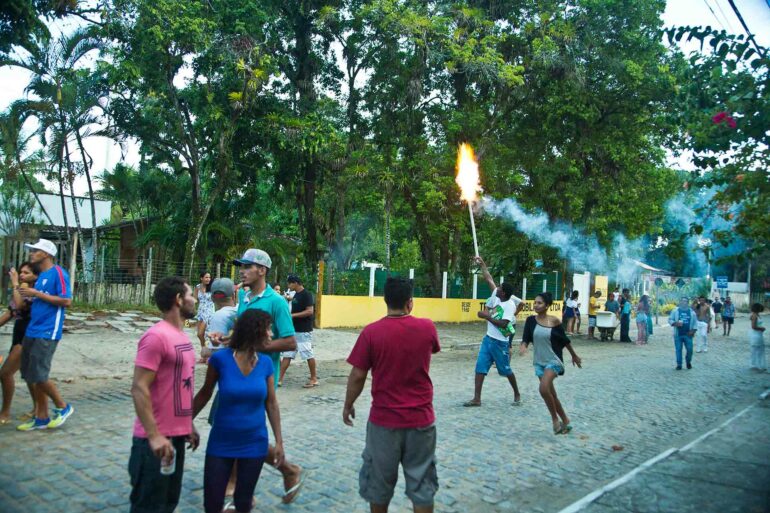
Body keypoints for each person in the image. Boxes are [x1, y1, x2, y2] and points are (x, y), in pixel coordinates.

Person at [343, 277, 440, 513]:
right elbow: (433, 349)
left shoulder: (371, 333)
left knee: (378, 486)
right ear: (410, 302)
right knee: (422, 487)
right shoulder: (427, 328)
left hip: (384, 422)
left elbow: (358, 375)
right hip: (421, 420)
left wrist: (348, 404)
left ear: (385, 300)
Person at [193, 309, 284, 513]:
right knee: (212, 504)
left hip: (254, 443)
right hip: (221, 442)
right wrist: (184, 422)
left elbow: (271, 403)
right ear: (255, 331)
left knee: (243, 502)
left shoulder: (266, 363)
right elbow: (205, 394)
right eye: (268, 329)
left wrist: (279, 441)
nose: (271, 334)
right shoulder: (220, 360)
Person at [233, 248, 304, 503]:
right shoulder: (243, 297)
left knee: (243, 431)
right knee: (238, 429)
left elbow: (290, 342)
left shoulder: (276, 302)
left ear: (262, 270)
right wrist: (228, 340)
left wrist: (258, 346)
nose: (242, 271)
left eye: (247, 266)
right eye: (241, 266)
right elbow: (243, 334)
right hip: (238, 373)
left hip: (261, 378)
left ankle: (239, 487)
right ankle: (283, 471)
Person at [129, 276, 200, 513]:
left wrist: (187, 424)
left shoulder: (182, 336)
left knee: (168, 503)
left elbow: (180, 385)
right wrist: (154, 435)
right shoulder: (156, 337)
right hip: (154, 442)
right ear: (178, 299)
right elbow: (139, 387)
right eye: (190, 295)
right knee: (149, 507)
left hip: (176, 438)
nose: (195, 299)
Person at [16, 239, 74, 431]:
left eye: (35, 250)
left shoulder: (58, 273)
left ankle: (63, 407)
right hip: (32, 329)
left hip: (48, 330)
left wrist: (36, 294)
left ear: (47, 254)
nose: (31, 253)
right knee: (29, 374)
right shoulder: (41, 276)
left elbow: (66, 301)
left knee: (40, 375)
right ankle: (41, 416)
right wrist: (29, 294)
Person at [520, 292, 582, 435]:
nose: (536, 305)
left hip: (554, 360)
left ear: (547, 305)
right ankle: (565, 420)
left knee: (543, 389)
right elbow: (526, 338)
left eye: (539, 303)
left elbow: (564, 340)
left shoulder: (555, 321)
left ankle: (555, 421)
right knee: (551, 394)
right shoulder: (530, 321)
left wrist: (574, 355)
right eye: (535, 302)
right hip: (539, 362)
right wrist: (523, 346)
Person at [464, 256, 522, 407]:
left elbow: (504, 324)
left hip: (500, 343)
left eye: (500, 288)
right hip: (488, 339)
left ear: (504, 293)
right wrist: (482, 264)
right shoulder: (497, 296)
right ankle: (477, 399)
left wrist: (486, 316)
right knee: (480, 367)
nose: (497, 288)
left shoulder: (509, 305)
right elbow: (489, 279)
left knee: (505, 370)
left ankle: (517, 393)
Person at [0, 263, 38, 424]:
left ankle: (5, 413)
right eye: (20, 272)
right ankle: (38, 409)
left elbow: (21, 305)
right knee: (29, 375)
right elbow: (11, 312)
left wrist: (15, 283)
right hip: (18, 333)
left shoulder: (36, 292)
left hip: (28, 335)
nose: (22, 275)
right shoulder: (21, 290)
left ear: (35, 276)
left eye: (26, 273)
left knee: (5, 373)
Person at [278, 274, 318, 388]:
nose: (288, 286)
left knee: (307, 354)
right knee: (288, 354)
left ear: (295, 283)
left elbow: (309, 311)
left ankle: (314, 378)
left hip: (304, 330)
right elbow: (297, 302)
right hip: (294, 329)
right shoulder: (296, 294)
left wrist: (292, 315)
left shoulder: (307, 294)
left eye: (289, 283)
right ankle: (279, 379)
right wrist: (289, 299)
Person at [204, 278, 238, 358]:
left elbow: (218, 352)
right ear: (233, 296)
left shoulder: (219, 316)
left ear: (212, 298)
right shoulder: (241, 309)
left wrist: (206, 352)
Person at [668, 297, 697, 370]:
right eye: (682, 301)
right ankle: (679, 364)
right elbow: (670, 319)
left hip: (688, 334)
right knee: (678, 350)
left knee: (690, 350)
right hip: (678, 334)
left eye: (685, 301)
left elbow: (695, 324)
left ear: (688, 303)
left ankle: (688, 362)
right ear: (680, 302)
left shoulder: (692, 312)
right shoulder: (675, 311)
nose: (684, 302)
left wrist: (693, 331)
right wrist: (675, 323)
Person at [195, 271, 215, 363]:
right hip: (200, 312)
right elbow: (195, 299)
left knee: (204, 334)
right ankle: (204, 354)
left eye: (209, 277)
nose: (208, 279)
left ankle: (208, 356)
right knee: (200, 335)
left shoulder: (212, 287)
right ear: (201, 278)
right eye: (206, 277)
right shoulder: (197, 287)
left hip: (209, 312)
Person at [749, 303, 766, 372]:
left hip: (759, 333)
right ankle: (757, 365)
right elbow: (753, 326)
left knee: (759, 349)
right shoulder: (754, 316)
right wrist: (761, 328)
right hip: (756, 334)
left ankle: (757, 364)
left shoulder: (757, 315)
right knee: (757, 349)